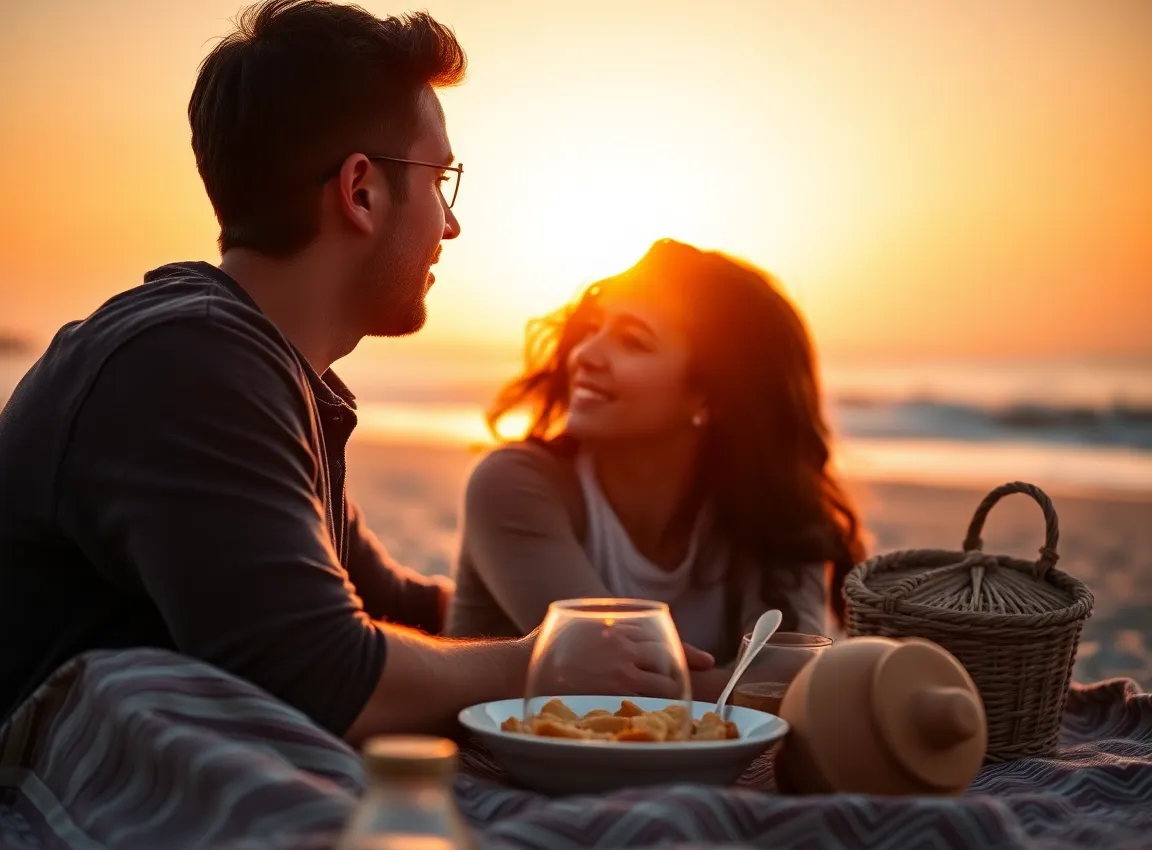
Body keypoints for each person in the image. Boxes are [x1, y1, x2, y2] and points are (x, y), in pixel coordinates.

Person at [0, 0, 712, 740]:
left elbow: (382, 604)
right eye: (441, 178)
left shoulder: (262, 369)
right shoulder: (188, 365)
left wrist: (579, 620)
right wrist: (540, 663)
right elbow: (323, 673)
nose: (451, 222)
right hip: (49, 787)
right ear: (361, 191)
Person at [447, 239, 865, 694]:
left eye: (632, 340)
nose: (584, 354)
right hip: (499, 765)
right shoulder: (514, 486)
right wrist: (734, 685)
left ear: (712, 394)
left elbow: (789, 678)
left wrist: (762, 686)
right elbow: (615, 679)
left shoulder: (774, 514)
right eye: (592, 328)